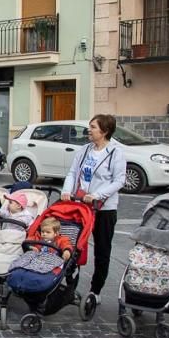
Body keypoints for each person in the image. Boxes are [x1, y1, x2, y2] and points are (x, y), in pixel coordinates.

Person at [62, 114, 126, 308]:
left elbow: (119, 181)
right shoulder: (85, 150)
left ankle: (95, 290)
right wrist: (67, 190)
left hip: (103, 209)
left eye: (93, 127)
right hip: (81, 205)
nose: (89, 130)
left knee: (102, 250)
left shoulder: (116, 152)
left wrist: (98, 194)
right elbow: (73, 173)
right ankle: (68, 285)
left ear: (104, 131)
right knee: (72, 244)